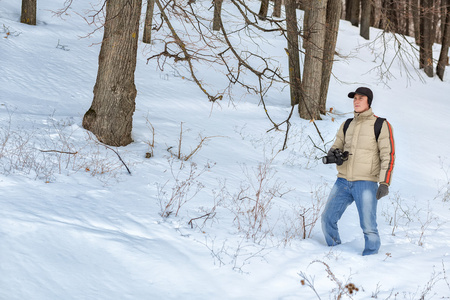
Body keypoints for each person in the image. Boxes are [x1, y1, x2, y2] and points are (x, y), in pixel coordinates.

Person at [321, 87, 395, 256]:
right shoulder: (347, 124)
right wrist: (333, 154)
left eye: (360, 98)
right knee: (327, 219)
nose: (356, 101)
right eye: (354, 98)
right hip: (343, 181)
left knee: (368, 226)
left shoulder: (381, 124)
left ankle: (371, 257)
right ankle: (334, 252)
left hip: (366, 182)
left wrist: (384, 182)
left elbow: (388, 155)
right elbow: (337, 145)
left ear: (368, 101)